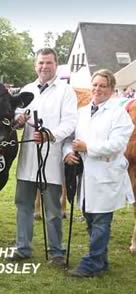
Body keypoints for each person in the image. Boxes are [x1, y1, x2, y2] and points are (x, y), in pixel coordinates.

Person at [11, 48, 78, 266]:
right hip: (28, 158)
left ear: (56, 65)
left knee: (52, 209)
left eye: (48, 63)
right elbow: (15, 117)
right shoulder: (27, 89)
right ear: (35, 65)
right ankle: (23, 248)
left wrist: (51, 135)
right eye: (41, 63)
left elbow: (70, 123)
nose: (44, 67)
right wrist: (19, 121)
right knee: (23, 205)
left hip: (51, 158)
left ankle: (57, 251)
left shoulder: (65, 91)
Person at [64, 69, 134, 277]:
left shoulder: (119, 115)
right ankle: (100, 259)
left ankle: (92, 262)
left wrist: (88, 147)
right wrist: (68, 152)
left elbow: (117, 144)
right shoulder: (82, 112)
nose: (97, 89)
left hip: (106, 174)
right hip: (85, 176)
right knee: (90, 217)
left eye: (103, 86)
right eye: (95, 85)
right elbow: (70, 139)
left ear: (111, 89)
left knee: (101, 220)